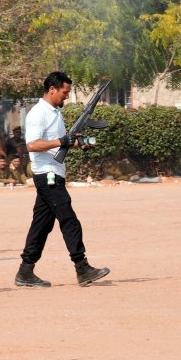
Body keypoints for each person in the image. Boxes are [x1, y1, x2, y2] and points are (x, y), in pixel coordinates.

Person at [15, 71, 110, 288]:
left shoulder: (54, 112)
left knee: (41, 226)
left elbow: (60, 143)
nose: (66, 96)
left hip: (54, 173)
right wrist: (62, 140)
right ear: (52, 90)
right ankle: (82, 267)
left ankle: (25, 271)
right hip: (47, 175)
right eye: (64, 92)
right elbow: (33, 145)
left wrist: (79, 143)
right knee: (68, 219)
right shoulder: (38, 113)